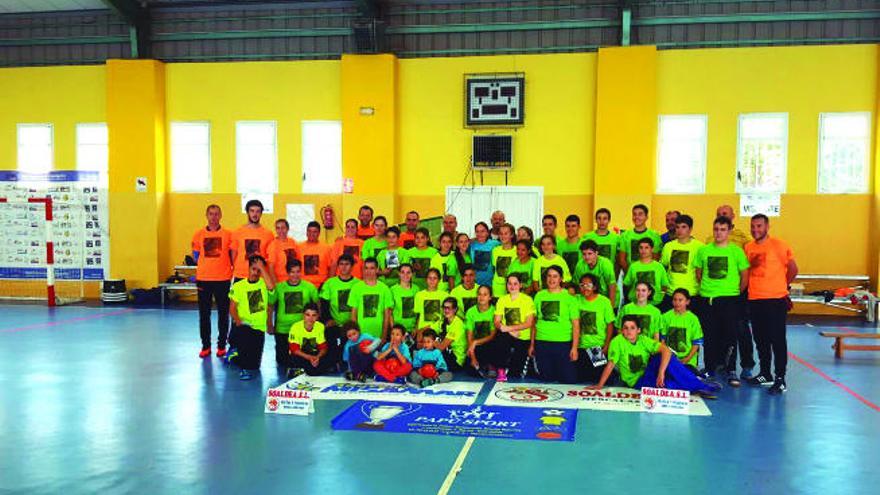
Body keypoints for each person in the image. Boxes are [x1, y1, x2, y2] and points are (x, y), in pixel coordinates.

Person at [589, 315, 719, 397]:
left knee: (668, 358)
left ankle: (700, 386)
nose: (629, 331)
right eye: (626, 328)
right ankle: (697, 385)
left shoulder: (643, 339)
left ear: (638, 330)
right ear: (622, 330)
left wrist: (661, 372)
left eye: (632, 328)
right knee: (667, 386)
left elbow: (666, 350)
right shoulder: (617, 342)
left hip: (649, 371)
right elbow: (611, 364)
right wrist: (600, 385)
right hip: (637, 381)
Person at [744, 214, 798, 395]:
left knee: (777, 340)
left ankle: (780, 378)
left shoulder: (779, 245)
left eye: (759, 226)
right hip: (755, 299)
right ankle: (765, 373)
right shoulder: (748, 247)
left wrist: (783, 287)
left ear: (767, 226)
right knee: (760, 339)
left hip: (775, 300)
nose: (755, 230)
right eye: (752, 226)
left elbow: (793, 269)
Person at [694, 216, 749, 387]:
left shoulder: (736, 252)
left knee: (730, 336)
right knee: (710, 336)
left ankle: (731, 369)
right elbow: (698, 272)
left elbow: (745, 276)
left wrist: (734, 294)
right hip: (708, 299)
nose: (719, 233)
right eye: (716, 229)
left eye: (723, 229)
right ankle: (709, 368)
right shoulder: (704, 251)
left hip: (730, 300)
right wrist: (709, 289)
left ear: (729, 231)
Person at [191, 204, 233, 358]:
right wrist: (206, 267)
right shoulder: (198, 235)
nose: (214, 217)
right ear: (206, 216)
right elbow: (196, 256)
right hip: (204, 280)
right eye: (211, 214)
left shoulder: (228, 234)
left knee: (223, 314)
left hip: (223, 279)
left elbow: (232, 254)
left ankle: (222, 345)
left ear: (220, 216)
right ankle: (205, 346)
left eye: (216, 214)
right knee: (204, 315)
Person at [228, 255, 276, 380]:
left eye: (259, 270)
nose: (256, 273)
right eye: (253, 269)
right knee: (246, 365)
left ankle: (235, 357)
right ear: (248, 268)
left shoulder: (264, 284)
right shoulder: (239, 286)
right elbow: (232, 308)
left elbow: (271, 287)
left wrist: (262, 267)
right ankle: (235, 353)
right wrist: (238, 322)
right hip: (245, 326)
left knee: (255, 366)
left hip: (259, 328)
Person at [531, 266, 579, 383]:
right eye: (549, 276)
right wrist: (532, 344)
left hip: (562, 343)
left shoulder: (569, 298)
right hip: (542, 342)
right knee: (547, 378)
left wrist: (574, 347)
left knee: (568, 379)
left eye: (555, 276)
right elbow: (534, 322)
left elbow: (576, 325)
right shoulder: (539, 295)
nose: (551, 279)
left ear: (561, 279)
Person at [269, 259, 319, 367]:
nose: (295, 275)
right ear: (287, 273)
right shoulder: (279, 287)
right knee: (281, 361)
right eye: (292, 272)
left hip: (303, 330)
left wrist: (316, 323)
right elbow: (270, 305)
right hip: (283, 329)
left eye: (298, 271)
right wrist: (269, 324)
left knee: (301, 360)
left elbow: (317, 304)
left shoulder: (309, 287)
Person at [319, 254, 361, 369]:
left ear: (352, 267)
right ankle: (332, 363)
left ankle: (346, 364)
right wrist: (328, 319)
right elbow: (324, 303)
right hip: (335, 323)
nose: (344, 267)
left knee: (348, 348)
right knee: (331, 345)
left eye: (347, 264)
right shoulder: (330, 283)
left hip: (351, 326)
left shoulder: (358, 284)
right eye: (341, 264)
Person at [573, 273, 616, 383]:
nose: (584, 288)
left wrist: (606, 345)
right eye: (582, 285)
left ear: (595, 287)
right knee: (579, 380)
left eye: (588, 285)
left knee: (603, 380)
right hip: (581, 347)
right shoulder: (576, 299)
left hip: (597, 348)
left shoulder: (604, 302)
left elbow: (610, 325)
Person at [494, 274, 536, 381]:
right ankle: (501, 370)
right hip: (508, 335)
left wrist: (508, 329)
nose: (512, 286)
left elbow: (529, 323)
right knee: (500, 337)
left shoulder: (528, 300)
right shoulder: (502, 300)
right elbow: (497, 322)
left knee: (515, 373)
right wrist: (509, 331)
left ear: (520, 285)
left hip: (522, 337)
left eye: (515, 283)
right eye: (509, 283)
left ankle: (511, 368)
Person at [659, 214, 703, 312]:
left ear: (690, 229)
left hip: (691, 294)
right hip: (671, 293)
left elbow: (702, 271)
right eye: (677, 227)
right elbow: (662, 268)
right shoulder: (668, 246)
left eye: (683, 227)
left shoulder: (700, 247)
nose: (680, 230)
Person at [348, 258, 393, 341]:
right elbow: (354, 315)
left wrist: (383, 337)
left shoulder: (385, 289)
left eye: (372, 268)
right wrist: (356, 336)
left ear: (377, 270)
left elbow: (387, 316)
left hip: (378, 335)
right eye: (366, 268)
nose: (368, 271)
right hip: (360, 336)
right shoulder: (356, 288)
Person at [660, 288, 704, 373]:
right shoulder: (665, 317)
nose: (677, 303)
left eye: (680, 300)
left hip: (688, 361)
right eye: (675, 300)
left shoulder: (693, 319)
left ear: (687, 302)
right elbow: (662, 341)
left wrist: (687, 359)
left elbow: (696, 343)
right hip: (669, 360)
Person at [231, 199, 275, 281]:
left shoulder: (268, 234)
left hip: (260, 275)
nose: (255, 214)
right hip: (241, 275)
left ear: (261, 213)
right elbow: (234, 254)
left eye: (258, 211)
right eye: (252, 211)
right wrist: (238, 268)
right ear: (247, 212)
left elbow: (270, 258)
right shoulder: (238, 232)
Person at [466, 285, 503, 379]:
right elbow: (469, 337)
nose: (482, 297)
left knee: (498, 341)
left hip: (490, 344)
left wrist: (475, 342)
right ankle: (482, 365)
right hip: (475, 347)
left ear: (490, 297)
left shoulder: (494, 311)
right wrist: (473, 357)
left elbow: (492, 335)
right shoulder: (470, 312)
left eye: (485, 294)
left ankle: (491, 365)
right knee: (471, 370)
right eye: (479, 294)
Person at [287, 303, 330, 377]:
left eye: (314, 315)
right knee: (293, 359)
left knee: (330, 355)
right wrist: (309, 357)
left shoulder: (320, 326)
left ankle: (302, 371)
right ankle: (314, 369)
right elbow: (294, 349)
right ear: (303, 315)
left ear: (317, 316)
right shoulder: (295, 327)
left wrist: (317, 357)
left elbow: (323, 347)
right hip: (301, 354)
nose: (310, 318)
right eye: (308, 315)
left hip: (314, 353)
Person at [622, 238, 669, 306]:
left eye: (646, 247)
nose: (643, 250)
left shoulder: (659, 267)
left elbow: (664, 285)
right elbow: (627, 284)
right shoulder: (633, 266)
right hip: (636, 303)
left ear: (652, 249)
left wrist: (660, 297)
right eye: (641, 248)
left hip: (655, 304)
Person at [617, 204, 662, 273]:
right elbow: (622, 260)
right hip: (631, 275)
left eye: (640, 214)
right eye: (634, 214)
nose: (636, 217)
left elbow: (655, 258)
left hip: (649, 274)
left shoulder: (654, 235)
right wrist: (631, 274)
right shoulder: (625, 235)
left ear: (646, 217)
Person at [573, 240, 617, 306]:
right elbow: (577, 285)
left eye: (590, 253)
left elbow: (612, 286)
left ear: (596, 253)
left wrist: (611, 306)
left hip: (607, 298)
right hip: (589, 299)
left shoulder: (606, 264)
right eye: (584, 254)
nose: (587, 257)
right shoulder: (580, 265)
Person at [414, 268, 449, 341]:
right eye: (429, 278)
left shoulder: (445, 295)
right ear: (426, 279)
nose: (432, 281)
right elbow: (419, 315)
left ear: (439, 280)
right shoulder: (419, 295)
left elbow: (447, 316)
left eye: (435, 278)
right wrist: (417, 330)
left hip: (438, 331)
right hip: (422, 331)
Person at [435, 297, 468, 372]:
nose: (446, 310)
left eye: (449, 308)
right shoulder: (443, 321)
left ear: (455, 309)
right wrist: (419, 332)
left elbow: (441, 347)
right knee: (429, 336)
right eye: (444, 307)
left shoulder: (457, 324)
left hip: (456, 360)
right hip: (447, 353)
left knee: (430, 345)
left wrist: (431, 341)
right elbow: (430, 328)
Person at [298, 221, 333, 288]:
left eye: (315, 232)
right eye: (309, 231)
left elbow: (331, 268)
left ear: (319, 233)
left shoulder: (327, 248)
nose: (312, 234)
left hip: (321, 285)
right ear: (306, 232)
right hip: (304, 285)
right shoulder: (298, 248)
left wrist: (328, 283)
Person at [390, 264, 419, 340]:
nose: (405, 275)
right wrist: (394, 331)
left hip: (412, 330)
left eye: (408, 272)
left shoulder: (416, 289)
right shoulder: (393, 290)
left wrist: (416, 328)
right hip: (398, 330)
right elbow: (389, 313)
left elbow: (419, 313)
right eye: (402, 272)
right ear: (399, 274)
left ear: (412, 274)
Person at [267, 218, 299, 284]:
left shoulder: (292, 242)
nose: (280, 230)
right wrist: (276, 285)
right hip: (281, 281)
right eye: (278, 228)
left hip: (293, 280)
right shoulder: (273, 245)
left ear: (287, 229)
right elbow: (271, 268)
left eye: (283, 228)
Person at [490, 223, 517, 297]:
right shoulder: (495, 250)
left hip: (513, 287)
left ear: (512, 235)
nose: (503, 236)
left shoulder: (517, 251)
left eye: (506, 233)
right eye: (501, 234)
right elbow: (493, 268)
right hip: (497, 288)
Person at [469, 222, 500, 287]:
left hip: (490, 283)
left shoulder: (495, 244)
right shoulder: (471, 245)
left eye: (482, 231)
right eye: (477, 231)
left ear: (487, 232)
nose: (480, 234)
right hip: (474, 284)